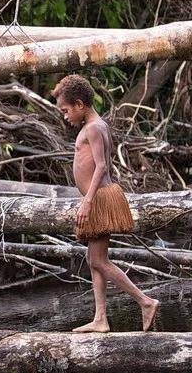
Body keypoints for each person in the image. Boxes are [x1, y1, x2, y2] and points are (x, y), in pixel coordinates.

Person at [52, 74, 159, 333]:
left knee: (99, 260)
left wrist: (88, 201)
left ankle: (145, 301)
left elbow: (101, 165)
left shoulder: (94, 127)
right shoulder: (92, 126)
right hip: (96, 196)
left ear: (79, 104)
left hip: (98, 197)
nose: (65, 116)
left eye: (66, 111)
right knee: (94, 259)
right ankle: (100, 318)